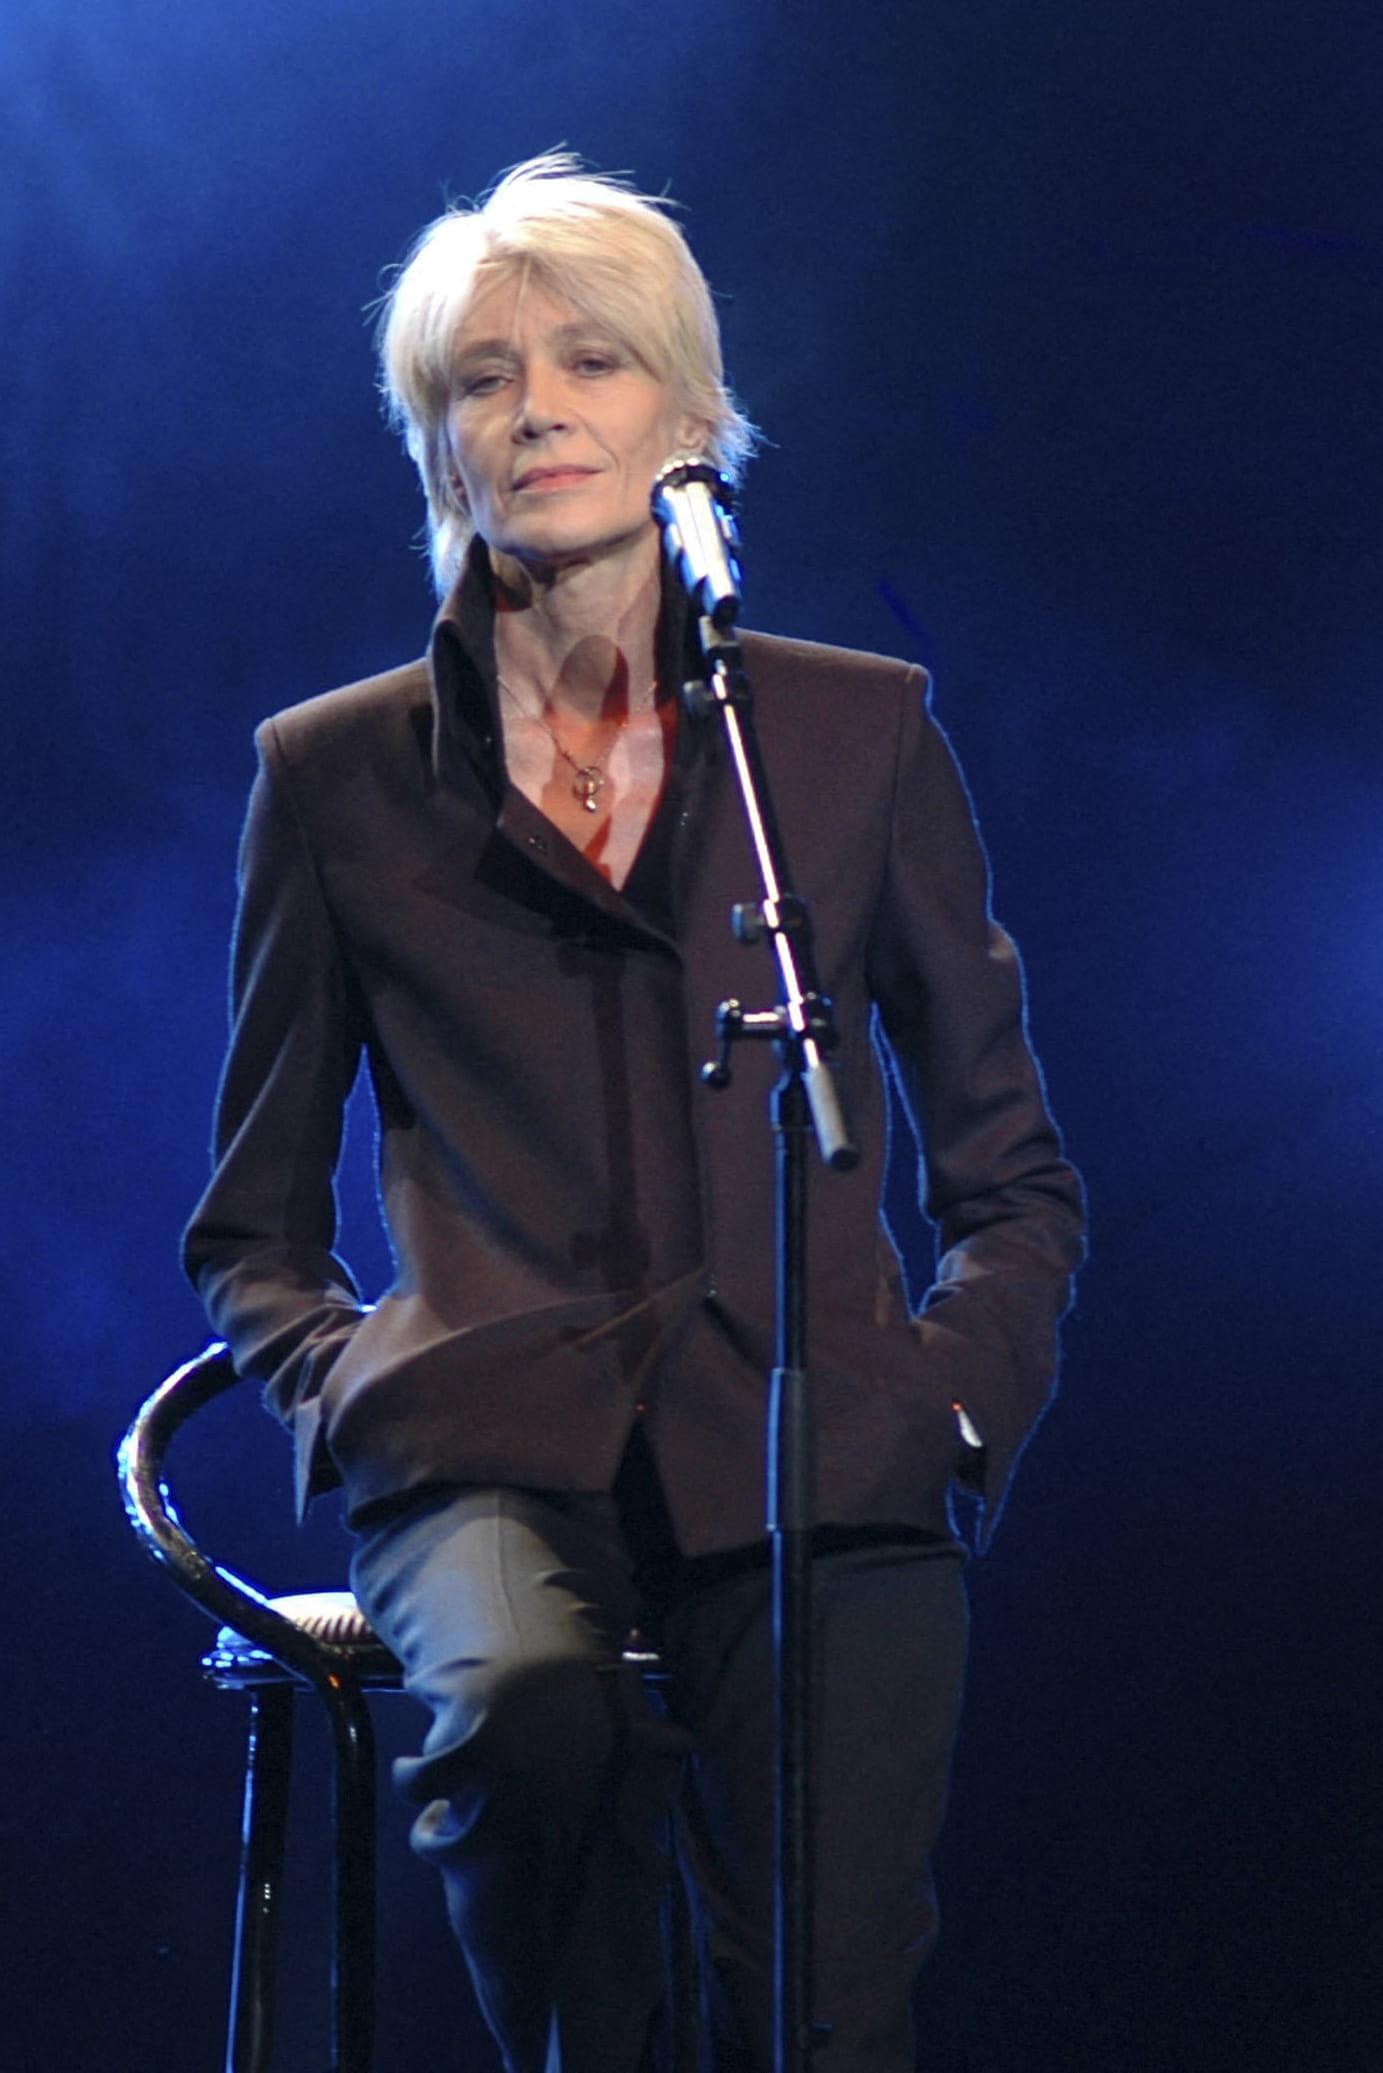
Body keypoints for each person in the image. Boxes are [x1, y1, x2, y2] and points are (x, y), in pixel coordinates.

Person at [185, 153, 1086, 2073]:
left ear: (688, 417)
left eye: (590, 361)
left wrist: (952, 1399)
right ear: (441, 443)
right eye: (485, 377)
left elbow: (1009, 1169)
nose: (537, 409)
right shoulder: (334, 775)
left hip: (815, 1426)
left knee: (824, 1999)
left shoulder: (844, 736)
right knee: (527, 1705)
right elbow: (249, 1224)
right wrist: (355, 1386)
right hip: (485, 1443)